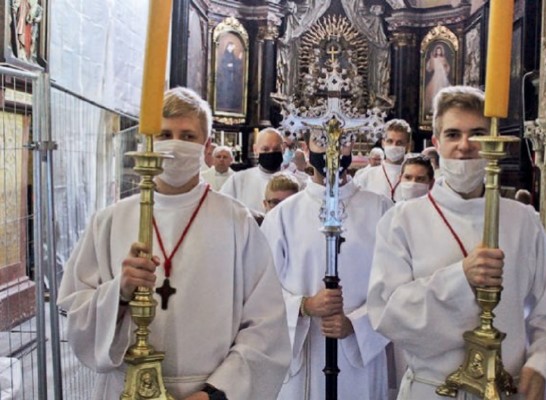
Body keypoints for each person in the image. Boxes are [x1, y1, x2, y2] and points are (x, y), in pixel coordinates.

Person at [58, 87, 291, 400]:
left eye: (188, 136)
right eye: (165, 134)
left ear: (206, 146)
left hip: (209, 390)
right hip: (126, 387)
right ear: (149, 141)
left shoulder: (238, 223)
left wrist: (216, 392)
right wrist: (120, 293)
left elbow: (266, 324)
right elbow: (76, 312)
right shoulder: (111, 221)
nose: (176, 145)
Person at [367, 86, 546, 400]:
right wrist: (460, 277)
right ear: (436, 143)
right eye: (452, 134)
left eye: (476, 133)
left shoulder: (523, 220)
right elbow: (388, 315)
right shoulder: (402, 222)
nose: (464, 146)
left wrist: (541, 365)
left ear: (492, 141)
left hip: (508, 388)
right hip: (433, 389)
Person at [261, 131, 393, 400]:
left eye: (341, 140)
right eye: (321, 140)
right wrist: (303, 306)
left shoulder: (382, 210)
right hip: (302, 353)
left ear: (352, 146)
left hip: (359, 355)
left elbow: (396, 288)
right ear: (305, 148)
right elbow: (261, 290)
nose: (332, 149)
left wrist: (357, 325)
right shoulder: (283, 216)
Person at [221, 127, 291, 213]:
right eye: (265, 149)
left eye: (276, 149)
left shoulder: (295, 181)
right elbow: (222, 208)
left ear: (283, 148)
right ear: (255, 149)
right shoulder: (238, 180)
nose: (271, 152)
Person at [355, 119, 411, 202]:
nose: (394, 146)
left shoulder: (415, 176)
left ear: (408, 145)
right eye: (390, 141)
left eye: (399, 143)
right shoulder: (366, 176)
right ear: (383, 143)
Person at [216, 41, 243, 112]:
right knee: (225, 89)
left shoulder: (232, 54)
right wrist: (228, 65)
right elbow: (223, 65)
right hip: (225, 76)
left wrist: (239, 59)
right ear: (229, 46)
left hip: (231, 76)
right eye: (232, 47)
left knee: (231, 90)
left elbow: (234, 63)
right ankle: (224, 104)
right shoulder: (226, 54)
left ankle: (230, 104)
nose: (233, 48)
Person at [424, 44, 451, 114]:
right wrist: (431, 58)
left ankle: (442, 107)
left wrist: (445, 71)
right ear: (436, 51)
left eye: (440, 51)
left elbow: (447, 67)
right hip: (436, 75)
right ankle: (433, 107)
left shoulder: (443, 59)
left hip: (442, 75)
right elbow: (429, 68)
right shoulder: (433, 59)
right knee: (433, 90)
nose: (438, 52)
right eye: (437, 50)